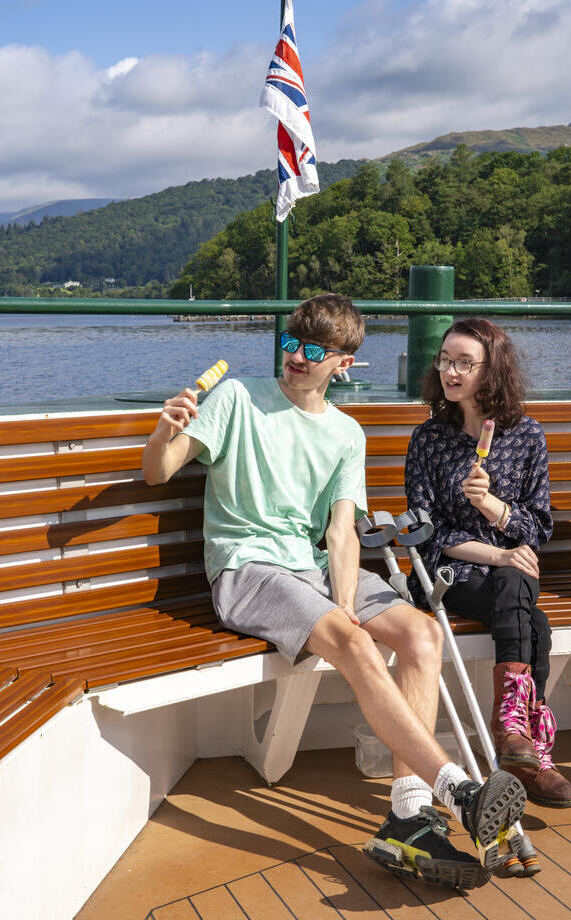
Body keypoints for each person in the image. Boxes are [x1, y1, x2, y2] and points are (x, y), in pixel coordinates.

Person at [142, 294, 526, 890]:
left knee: (421, 631)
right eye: (292, 343)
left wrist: (343, 603)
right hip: (248, 569)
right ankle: (455, 791)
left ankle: (406, 812)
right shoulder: (237, 397)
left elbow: (341, 531)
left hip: (313, 567)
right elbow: (158, 472)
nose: (297, 357)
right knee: (352, 640)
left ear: (342, 363)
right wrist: (165, 430)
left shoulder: (346, 433)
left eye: (314, 350)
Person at [405, 317, 570, 808]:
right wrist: (496, 551)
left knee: (520, 593)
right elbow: (424, 532)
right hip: (451, 571)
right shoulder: (429, 439)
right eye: (445, 361)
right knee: (528, 612)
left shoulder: (526, 436)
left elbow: (538, 527)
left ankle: (515, 736)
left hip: (510, 574)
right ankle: (527, 749)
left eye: (464, 363)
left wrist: (492, 507)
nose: (451, 372)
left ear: (490, 369)